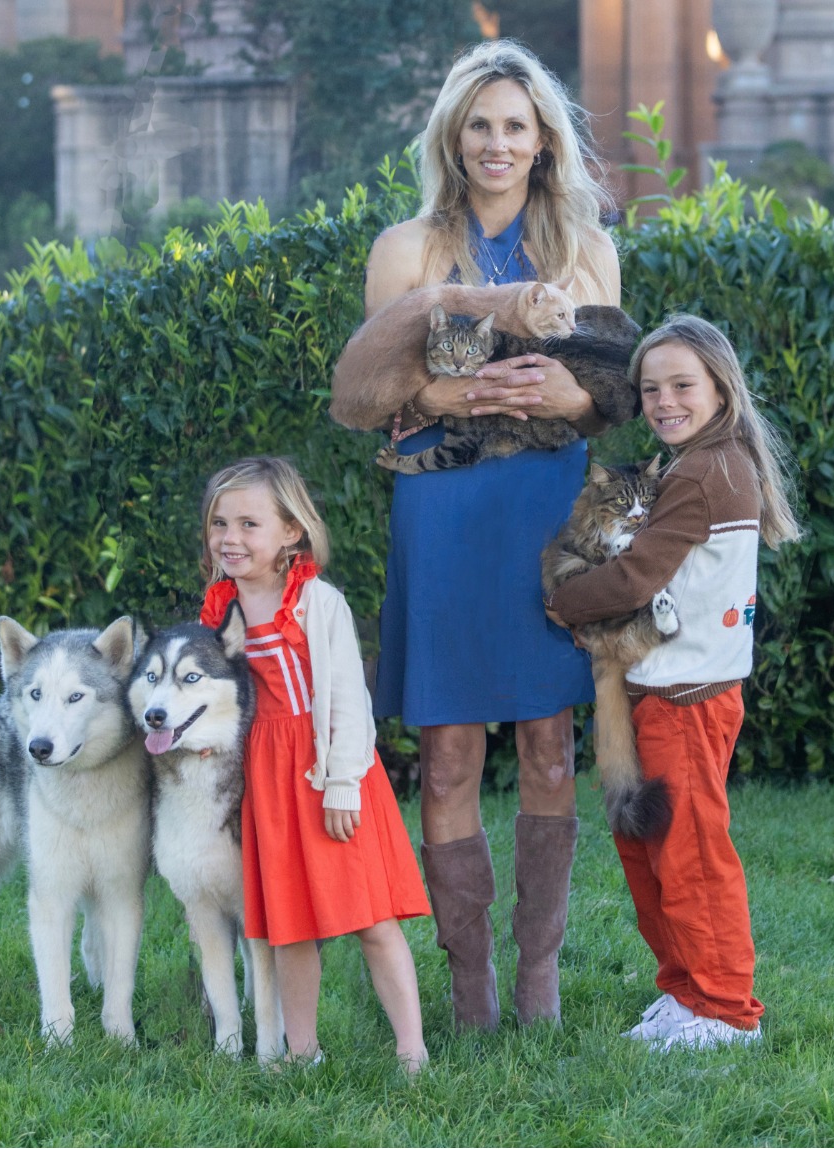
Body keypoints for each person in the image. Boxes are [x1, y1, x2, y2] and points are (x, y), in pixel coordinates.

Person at [331, 39, 623, 1030]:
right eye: (480, 126)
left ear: (544, 142)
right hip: (444, 510)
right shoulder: (405, 249)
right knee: (448, 757)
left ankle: (536, 978)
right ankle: (471, 992)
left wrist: (565, 387)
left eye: (516, 126)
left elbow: (610, 391)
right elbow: (378, 387)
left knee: (549, 750)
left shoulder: (587, 248)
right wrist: (456, 387)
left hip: (547, 504)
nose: (498, 143)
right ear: (453, 140)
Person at [545, 315, 801, 1050]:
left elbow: (635, 575)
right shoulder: (692, 462)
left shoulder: (707, 469)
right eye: (650, 388)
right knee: (649, 848)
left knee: (690, 853)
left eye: (681, 385)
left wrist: (561, 601)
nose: (663, 401)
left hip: (689, 698)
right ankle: (686, 991)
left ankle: (725, 1007)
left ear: (721, 387)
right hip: (659, 692)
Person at [197, 456, 431, 1072]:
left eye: (249, 524)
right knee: (290, 926)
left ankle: (413, 1050)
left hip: (326, 770)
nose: (230, 538)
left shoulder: (316, 602)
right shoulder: (217, 608)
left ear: (291, 531)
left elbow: (348, 697)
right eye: (220, 524)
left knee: (371, 918)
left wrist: (342, 783)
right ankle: (303, 1052)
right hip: (265, 783)